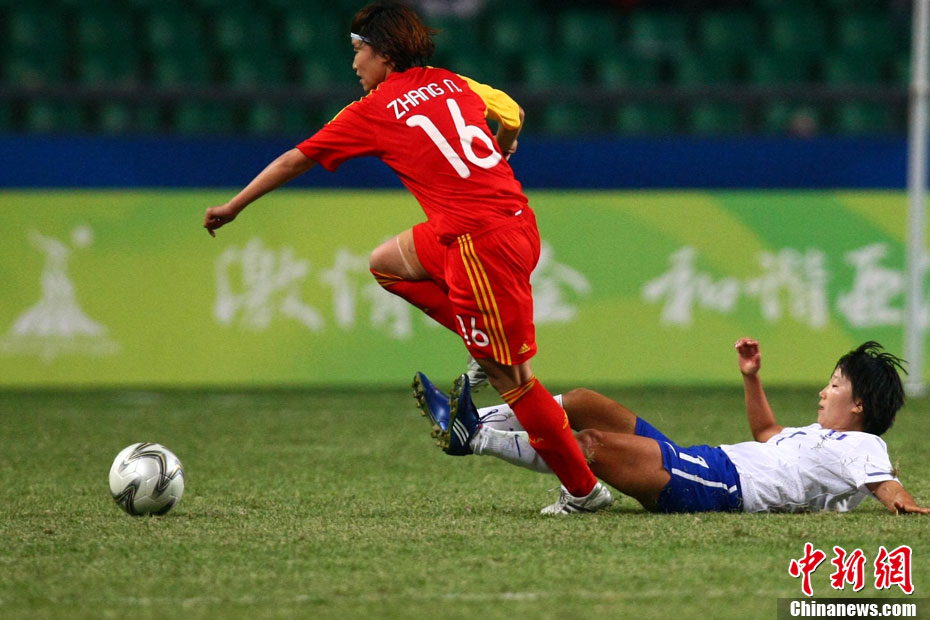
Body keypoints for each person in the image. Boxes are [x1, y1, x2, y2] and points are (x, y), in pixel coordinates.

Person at [202, 2, 611, 514]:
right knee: (386, 263)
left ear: (384, 54)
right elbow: (513, 113)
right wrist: (503, 147)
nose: (354, 62)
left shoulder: (371, 109)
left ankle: (584, 492)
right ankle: (477, 339)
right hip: (509, 224)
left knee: (513, 380)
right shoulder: (450, 80)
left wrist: (234, 206)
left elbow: (293, 160)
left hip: (480, 245)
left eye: (358, 50)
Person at [415, 338, 930, 514]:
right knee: (584, 402)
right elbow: (767, 433)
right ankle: (470, 422)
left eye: (835, 385)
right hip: (704, 462)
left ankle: (475, 439)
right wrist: (751, 378)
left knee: (591, 446)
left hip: (720, 485)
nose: (823, 391)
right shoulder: (819, 438)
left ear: (859, 406)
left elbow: (885, 486)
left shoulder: (861, 444)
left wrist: (903, 503)